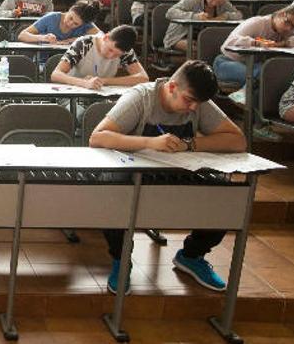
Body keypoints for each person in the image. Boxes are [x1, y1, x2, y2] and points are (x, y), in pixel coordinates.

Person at [90, 60, 246, 294]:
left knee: (225, 195)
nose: (194, 108)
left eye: (198, 103)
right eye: (189, 100)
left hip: (177, 171)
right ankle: (121, 260)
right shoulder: (141, 98)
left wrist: (190, 143)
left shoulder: (197, 102)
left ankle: (191, 256)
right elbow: (98, 137)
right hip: (132, 172)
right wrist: (150, 143)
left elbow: (237, 140)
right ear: (172, 87)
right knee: (112, 189)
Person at [214, 4, 294, 88]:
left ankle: (244, 99)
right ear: (281, 14)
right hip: (226, 62)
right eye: (288, 22)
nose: (289, 28)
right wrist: (256, 43)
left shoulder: (287, 31)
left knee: (272, 73)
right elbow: (229, 42)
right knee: (263, 75)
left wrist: (282, 43)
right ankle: (243, 99)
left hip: (253, 65)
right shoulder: (258, 22)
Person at [51, 25, 148, 89]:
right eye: (110, 50)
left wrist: (104, 81)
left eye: (117, 55)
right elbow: (56, 74)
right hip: (73, 93)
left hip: (102, 95)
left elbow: (143, 78)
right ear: (106, 37)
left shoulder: (126, 51)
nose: (111, 56)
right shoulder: (84, 43)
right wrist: (84, 83)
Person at [163, 0, 240, 53]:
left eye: (219, 2)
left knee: (214, 49)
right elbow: (170, 12)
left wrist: (226, 16)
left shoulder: (224, 3)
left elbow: (239, 15)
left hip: (202, 37)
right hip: (179, 36)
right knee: (200, 51)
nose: (214, 4)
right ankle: (167, 60)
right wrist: (195, 16)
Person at [17, 0, 102, 45]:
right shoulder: (52, 18)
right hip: (44, 60)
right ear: (70, 9)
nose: (70, 23)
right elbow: (22, 35)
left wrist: (74, 40)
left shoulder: (86, 24)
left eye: (76, 24)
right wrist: (43, 38)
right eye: (70, 18)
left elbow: (102, 38)